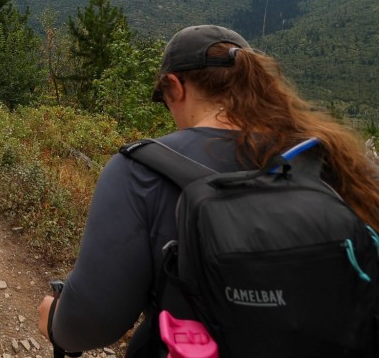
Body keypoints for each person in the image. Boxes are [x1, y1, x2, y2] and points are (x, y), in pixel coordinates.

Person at [37, 24, 379, 357]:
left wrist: (55, 320)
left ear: (175, 85)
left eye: (165, 100)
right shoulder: (336, 162)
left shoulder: (139, 171)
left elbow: (91, 323)